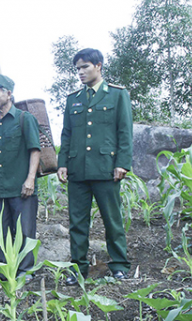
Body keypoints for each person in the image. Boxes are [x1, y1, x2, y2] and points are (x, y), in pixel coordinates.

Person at [57, 48, 133, 283]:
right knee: (77, 222)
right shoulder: (74, 99)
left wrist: (122, 163)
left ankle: (119, 265)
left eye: (85, 67)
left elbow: (125, 131)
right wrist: (63, 163)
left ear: (98, 66)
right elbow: (67, 134)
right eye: (77, 68)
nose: (80, 72)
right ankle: (77, 269)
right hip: (78, 169)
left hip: (106, 169)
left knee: (112, 219)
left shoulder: (117, 95)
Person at [0, 74, 40, 284]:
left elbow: (35, 150)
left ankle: (25, 271)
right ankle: (0, 270)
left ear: (8, 94)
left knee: (24, 230)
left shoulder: (24, 118)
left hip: (22, 187)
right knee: (0, 232)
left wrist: (30, 179)